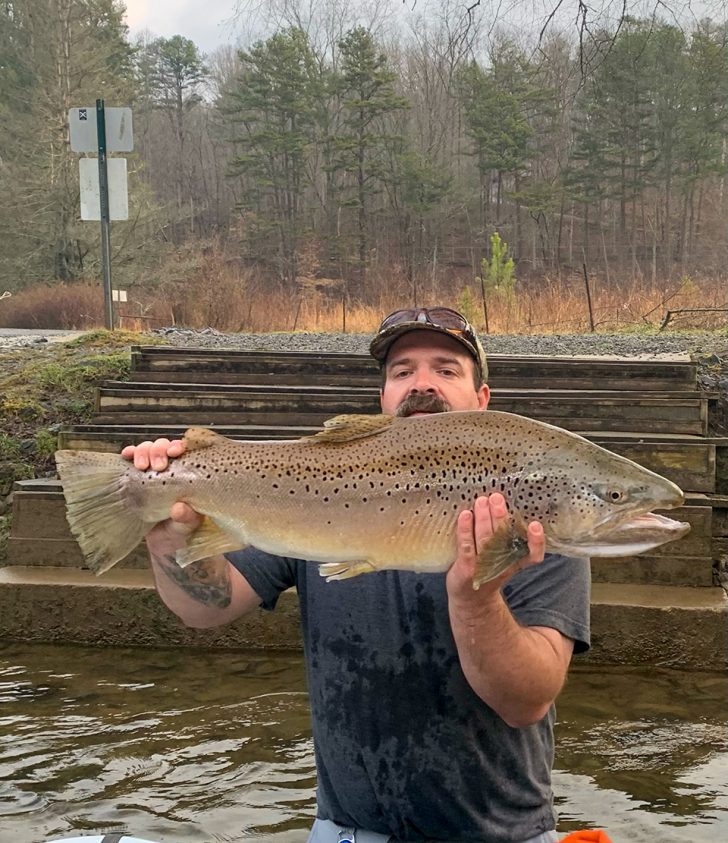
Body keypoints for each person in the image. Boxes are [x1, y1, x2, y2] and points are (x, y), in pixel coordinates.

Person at [122, 306, 591, 843]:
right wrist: (167, 540)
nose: (422, 384)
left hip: (499, 832)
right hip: (347, 832)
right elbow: (207, 606)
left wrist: (477, 599)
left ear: (482, 400)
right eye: (401, 371)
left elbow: (526, 700)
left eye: (446, 369)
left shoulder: (528, 516)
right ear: (382, 397)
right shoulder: (318, 480)